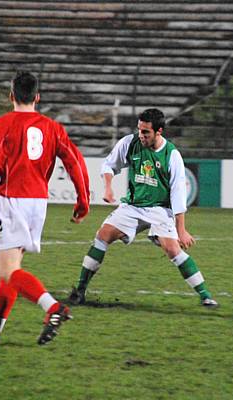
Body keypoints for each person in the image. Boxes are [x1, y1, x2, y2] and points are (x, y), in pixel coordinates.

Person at [0, 70, 90, 345]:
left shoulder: (4, 123)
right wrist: (82, 200)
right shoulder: (52, 127)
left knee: (8, 270)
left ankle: (53, 308)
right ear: (37, 97)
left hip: (13, 199)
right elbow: (75, 162)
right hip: (38, 203)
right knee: (11, 268)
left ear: (11, 96)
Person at [68, 108, 219, 308]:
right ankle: (79, 291)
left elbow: (178, 195)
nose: (141, 135)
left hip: (160, 209)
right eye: (139, 130)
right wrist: (108, 187)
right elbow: (109, 165)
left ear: (159, 131)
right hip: (132, 206)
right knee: (102, 235)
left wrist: (181, 230)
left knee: (172, 249)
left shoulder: (172, 155)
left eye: (146, 132)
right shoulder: (130, 143)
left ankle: (205, 295)